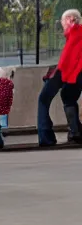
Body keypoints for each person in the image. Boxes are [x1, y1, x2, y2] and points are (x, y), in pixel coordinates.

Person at [38, 9, 82, 146]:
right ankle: (76, 131)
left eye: (62, 21)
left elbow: (67, 60)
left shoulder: (76, 32)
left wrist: (57, 76)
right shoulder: (74, 34)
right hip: (76, 74)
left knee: (63, 96)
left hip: (76, 73)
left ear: (70, 19)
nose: (62, 24)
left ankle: (74, 133)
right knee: (68, 95)